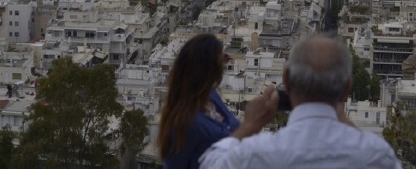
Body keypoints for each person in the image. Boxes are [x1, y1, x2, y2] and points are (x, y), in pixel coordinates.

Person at [200, 35, 401, 169]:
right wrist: (343, 119)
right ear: (346, 88)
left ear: (286, 80)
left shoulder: (256, 154)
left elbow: (210, 163)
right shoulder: (377, 156)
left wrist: (250, 125)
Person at [157, 34, 239, 169]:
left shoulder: (210, 96)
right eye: (219, 56)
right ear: (208, 67)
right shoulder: (185, 122)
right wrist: (254, 122)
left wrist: (218, 63)